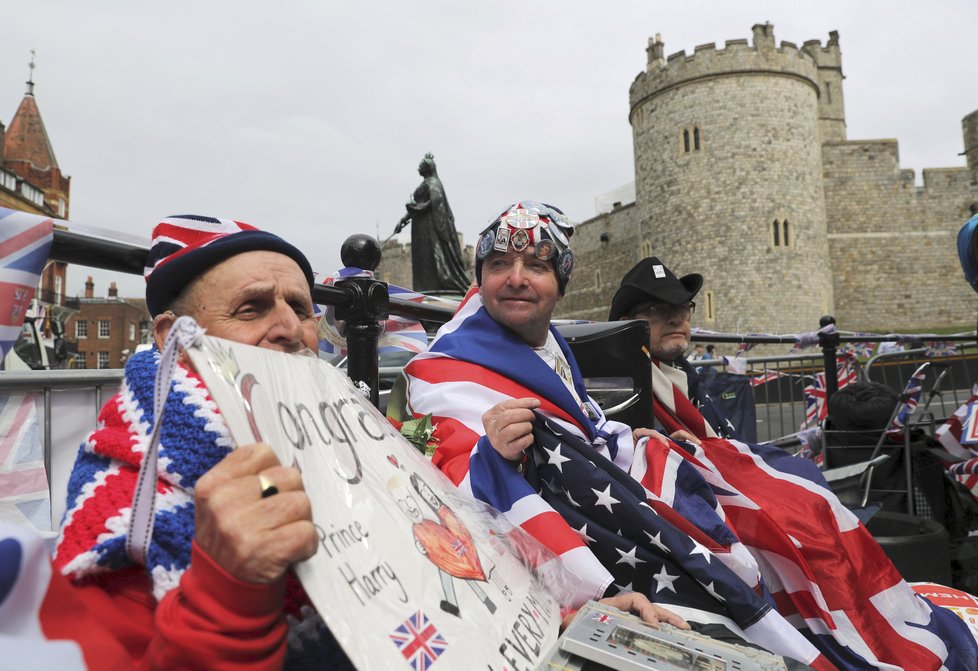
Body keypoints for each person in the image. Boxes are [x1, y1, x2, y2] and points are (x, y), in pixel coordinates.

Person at [398, 203, 978, 669]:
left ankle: (852, 609)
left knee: (796, 495)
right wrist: (489, 453)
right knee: (770, 520)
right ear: (481, 277)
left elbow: (591, 429)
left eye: (538, 266)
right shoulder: (448, 367)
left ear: (560, 284)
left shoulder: (555, 349)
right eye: (500, 264)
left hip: (626, 482)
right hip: (596, 529)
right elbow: (451, 468)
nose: (517, 278)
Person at [53, 215, 352, 670]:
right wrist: (224, 595)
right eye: (251, 308)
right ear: (173, 338)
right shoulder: (127, 505)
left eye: (300, 306)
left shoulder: (349, 448)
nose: (292, 328)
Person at [394, 153, 471, 294]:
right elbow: (422, 205)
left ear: (427, 168)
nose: (418, 168)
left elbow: (435, 203)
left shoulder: (433, 183)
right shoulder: (427, 183)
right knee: (424, 260)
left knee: (432, 259)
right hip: (421, 228)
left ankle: (437, 288)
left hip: (431, 229)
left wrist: (414, 208)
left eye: (420, 165)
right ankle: (426, 288)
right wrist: (403, 220)